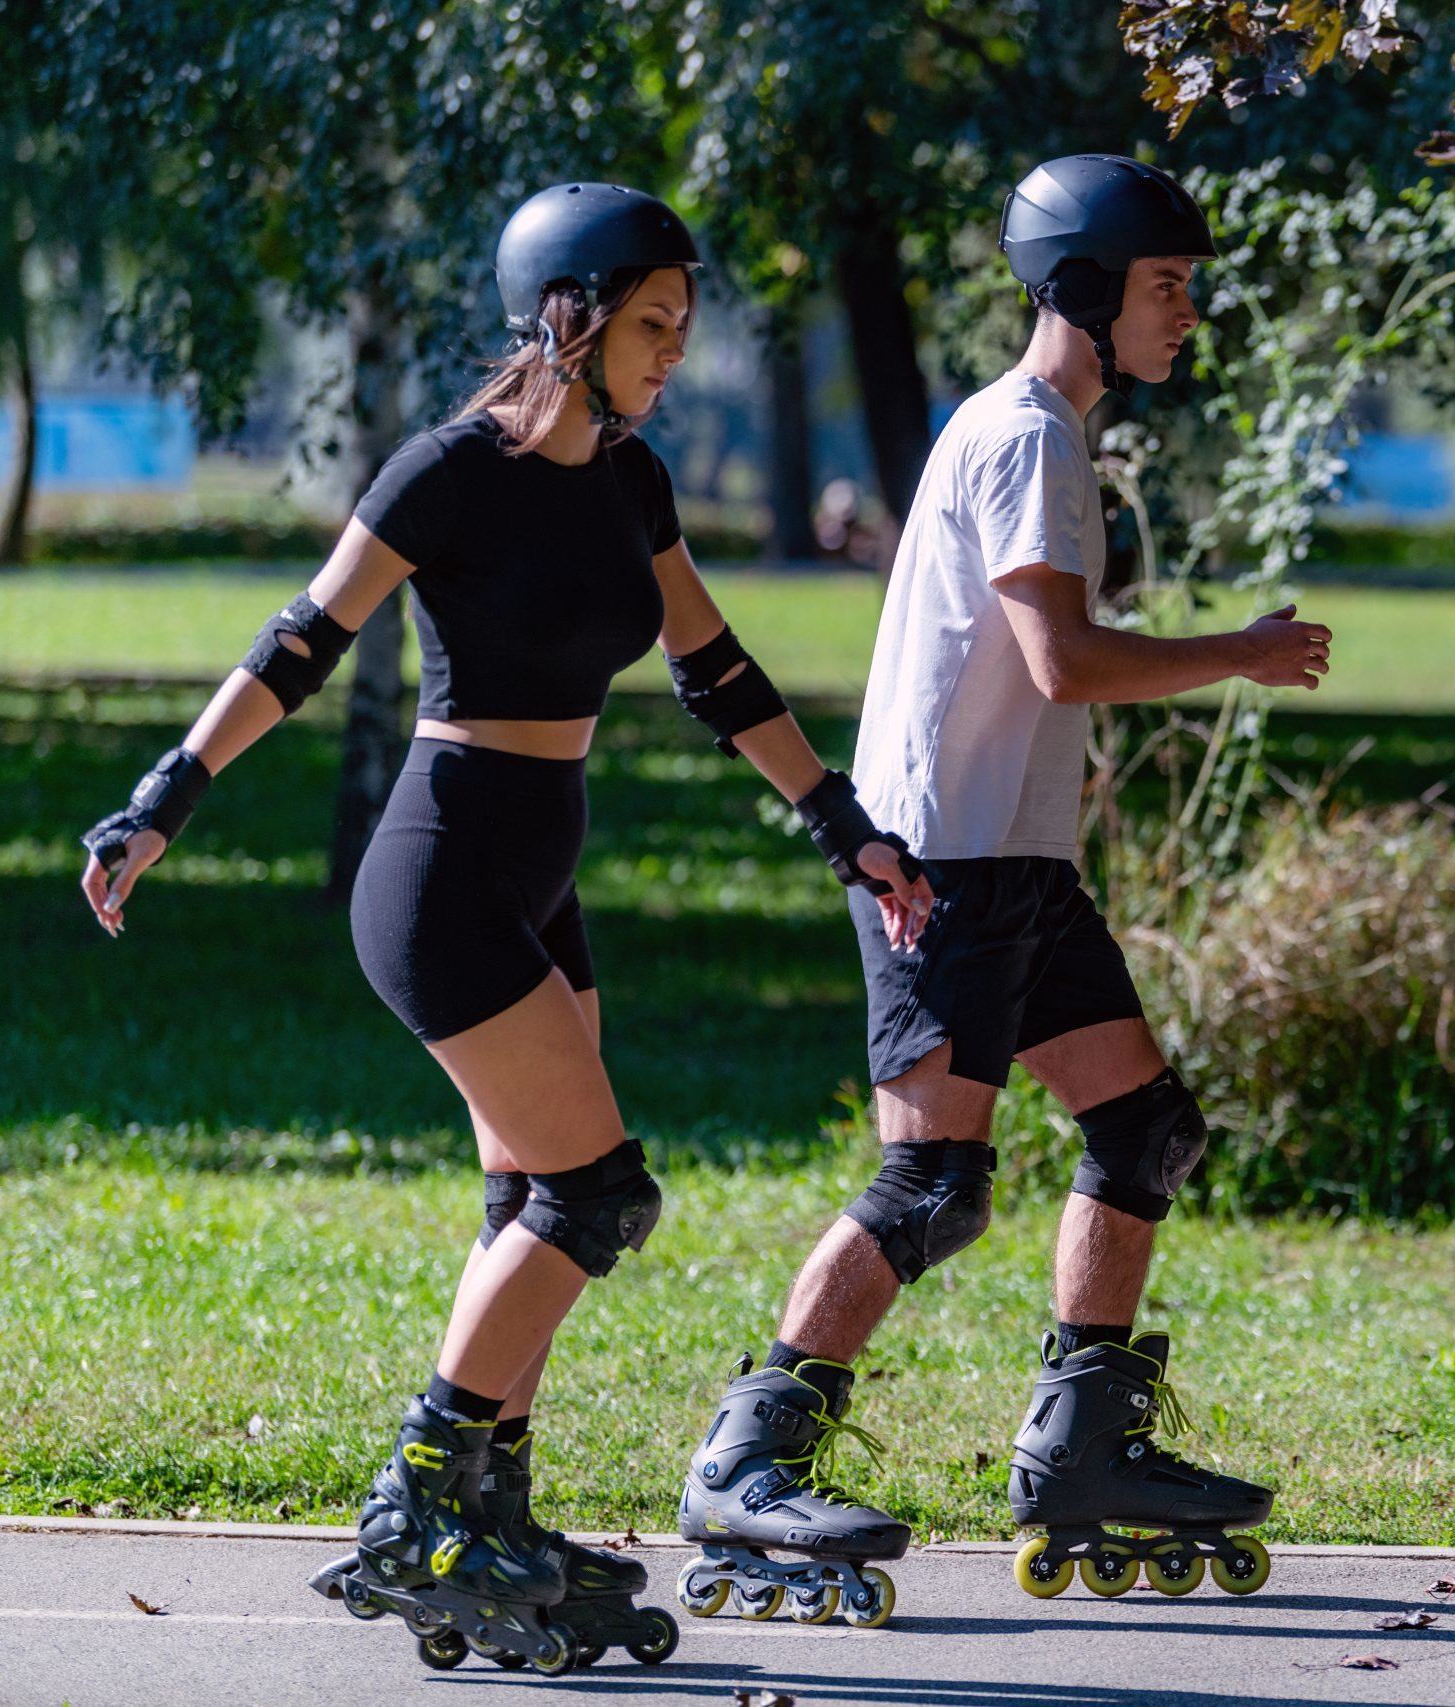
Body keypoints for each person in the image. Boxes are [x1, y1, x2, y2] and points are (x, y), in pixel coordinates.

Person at [74, 182, 928, 1672]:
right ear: (569, 316)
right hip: (445, 870)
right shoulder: (450, 471)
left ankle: (493, 1510)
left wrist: (845, 827)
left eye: (682, 325)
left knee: (523, 1205)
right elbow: (304, 637)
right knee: (596, 1196)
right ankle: (419, 1495)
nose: (672, 351)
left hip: (540, 875)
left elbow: (717, 672)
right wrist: (166, 794)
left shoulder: (632, 482)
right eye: (653, 324)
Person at [673, 154, 1332, 1617]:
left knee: (1146, 1128)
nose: (1188, 316)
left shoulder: (1043, 432)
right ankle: (748, 1454)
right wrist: (1237, 650)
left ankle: (1083, 1445)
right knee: (935, 1185)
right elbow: (1065, 660)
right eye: (1167, 288)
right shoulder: (1028, 434)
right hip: (946, 870)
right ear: (1087, 289)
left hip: (1019, 864)